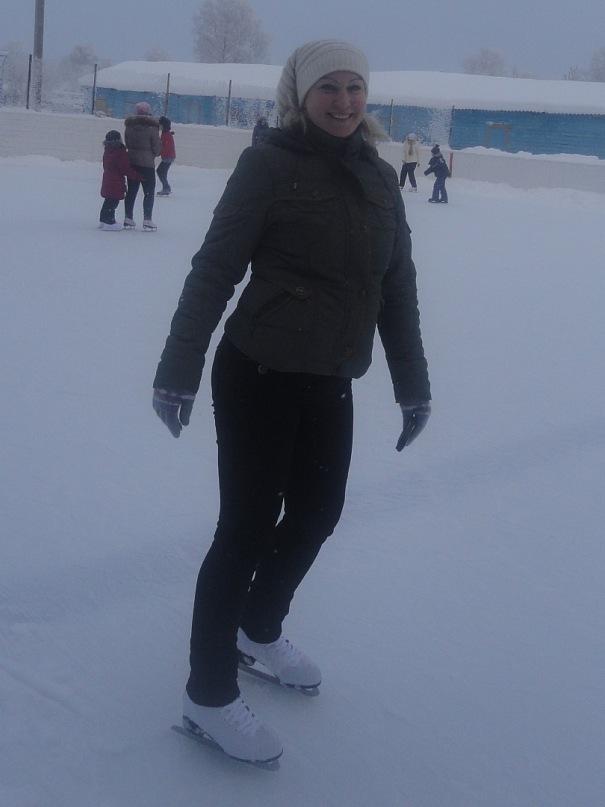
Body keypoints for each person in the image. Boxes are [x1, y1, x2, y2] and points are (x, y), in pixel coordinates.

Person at [152, 39, 431, 765]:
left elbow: (396, 287)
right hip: (259, 371)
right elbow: (215, 267)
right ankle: (207, 693)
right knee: (245, 528)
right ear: (300, 96)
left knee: (317, 512)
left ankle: (258, 627)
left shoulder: (379, 177)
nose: (343, 101)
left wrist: (412, 384)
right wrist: (178, 366)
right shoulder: (269, 164)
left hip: (330, 376)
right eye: (327, 87)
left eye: (354, 87)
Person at [123, 101, 162, 230]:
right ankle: (147, 219)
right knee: (149, 192)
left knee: (131, 191)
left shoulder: (129, 126)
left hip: (132, 162)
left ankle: (128, 217)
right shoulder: (152, 127)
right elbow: (157, 147)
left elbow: (127, 142)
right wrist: (154, 153)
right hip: (147, 164)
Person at [98, 130, 142, 230]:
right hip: (116, 181)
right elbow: (125, 168)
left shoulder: (107, 150)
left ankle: (103, 219)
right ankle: (109, 221)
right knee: (113, 201)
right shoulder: (119, 152)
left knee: (108, 200)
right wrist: (136, 176)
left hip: (107, 179)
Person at [156, 116, 176, 196]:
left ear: (163, 125)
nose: (159, 126)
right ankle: (166, 187)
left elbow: (165, 147)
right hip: (168, 156)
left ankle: (166, 188)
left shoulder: (166, 135)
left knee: (160, 171)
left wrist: (158, 153)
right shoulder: (165, 134)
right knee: (161, 172)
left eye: (160, 124)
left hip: (168, 157)